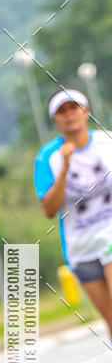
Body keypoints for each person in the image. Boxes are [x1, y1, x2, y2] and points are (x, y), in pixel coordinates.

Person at [34, 89, 112, 339]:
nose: (69, 115)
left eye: (74, 108)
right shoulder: (49, 157)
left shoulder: (106, 142)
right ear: (56, 120)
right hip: (81, 250)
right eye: (62, 111)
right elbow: (49, 209)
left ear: (86, 111)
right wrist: (66, 167)